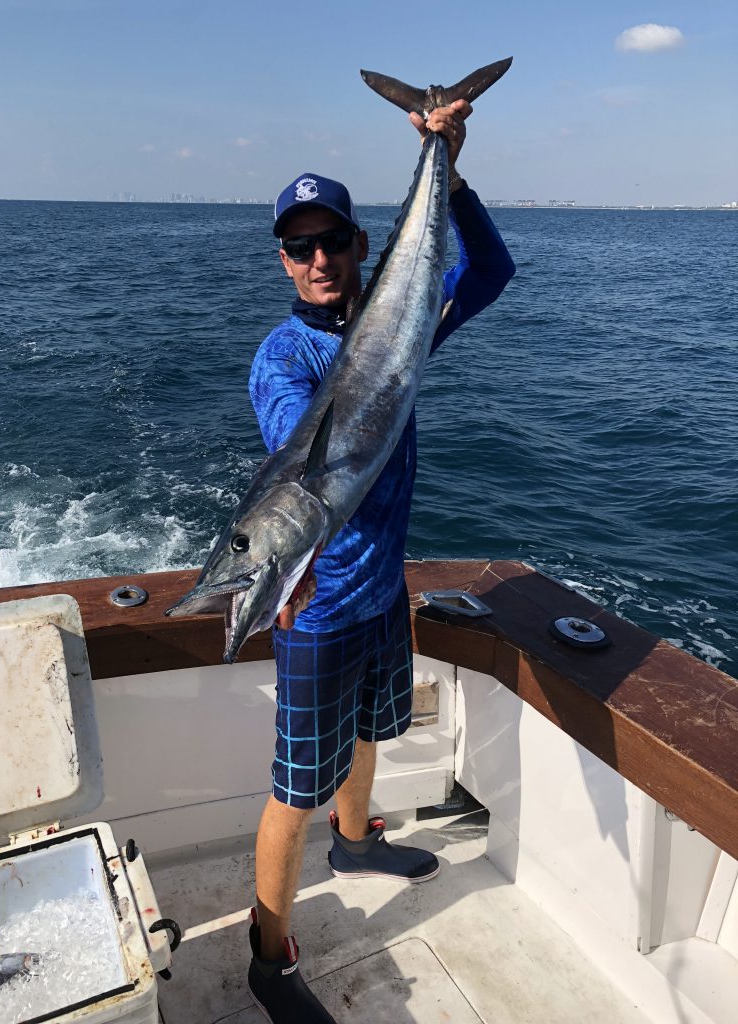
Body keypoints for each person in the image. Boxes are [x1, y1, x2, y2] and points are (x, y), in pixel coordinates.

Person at [245, 99, 515, 1023]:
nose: (318, 259)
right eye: (300, 246)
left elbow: (492, 271)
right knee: (293, 791)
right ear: (283, 258)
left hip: (383, 593)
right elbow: (300, 453)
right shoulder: (281, 358)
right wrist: (288, 556)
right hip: (318, 610)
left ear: (360, 246)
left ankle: (354, 842)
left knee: (367, 735)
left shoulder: (397, 326)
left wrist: (452, 166)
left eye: (333, 241)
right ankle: (267, 958)